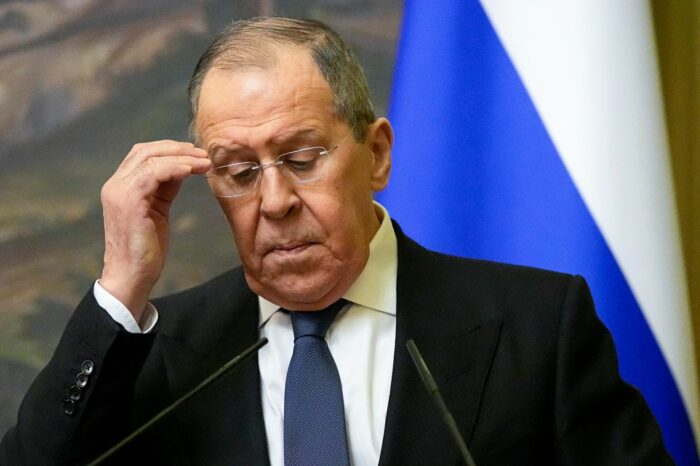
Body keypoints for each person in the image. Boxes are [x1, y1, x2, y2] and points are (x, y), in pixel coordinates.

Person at [0, 17, 673, 466]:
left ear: (376, 154)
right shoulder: (160, 351)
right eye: (238, 172)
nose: (274, 201)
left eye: (301, 158)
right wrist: (121, 283)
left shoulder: (537, 325)